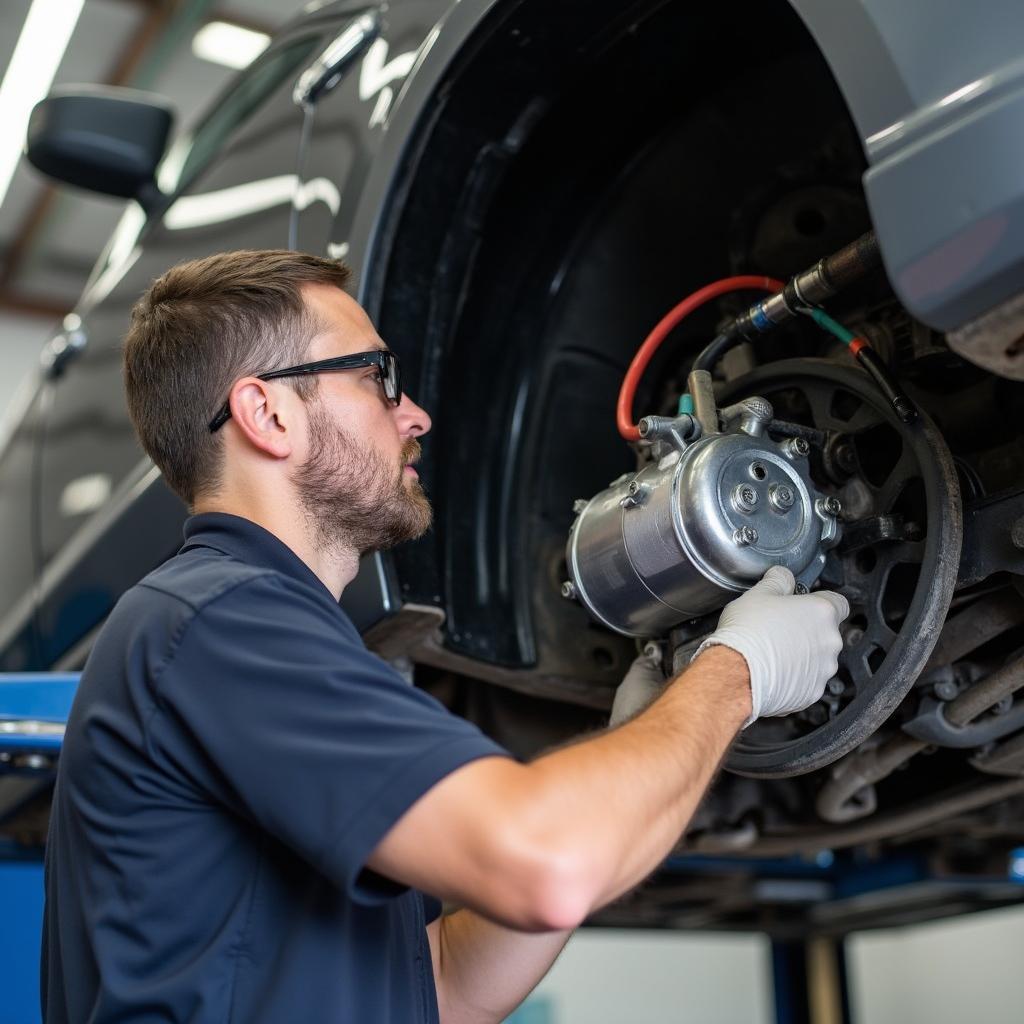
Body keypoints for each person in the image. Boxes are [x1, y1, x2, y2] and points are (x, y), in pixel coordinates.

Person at [42, 249, 849, 1024]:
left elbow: (448, 989)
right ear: (268, 413)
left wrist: (638, 736)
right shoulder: (216, 620)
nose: (416, 414)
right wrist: (737, 672)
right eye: (376, 378)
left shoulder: (250, 634)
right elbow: (545, 868)